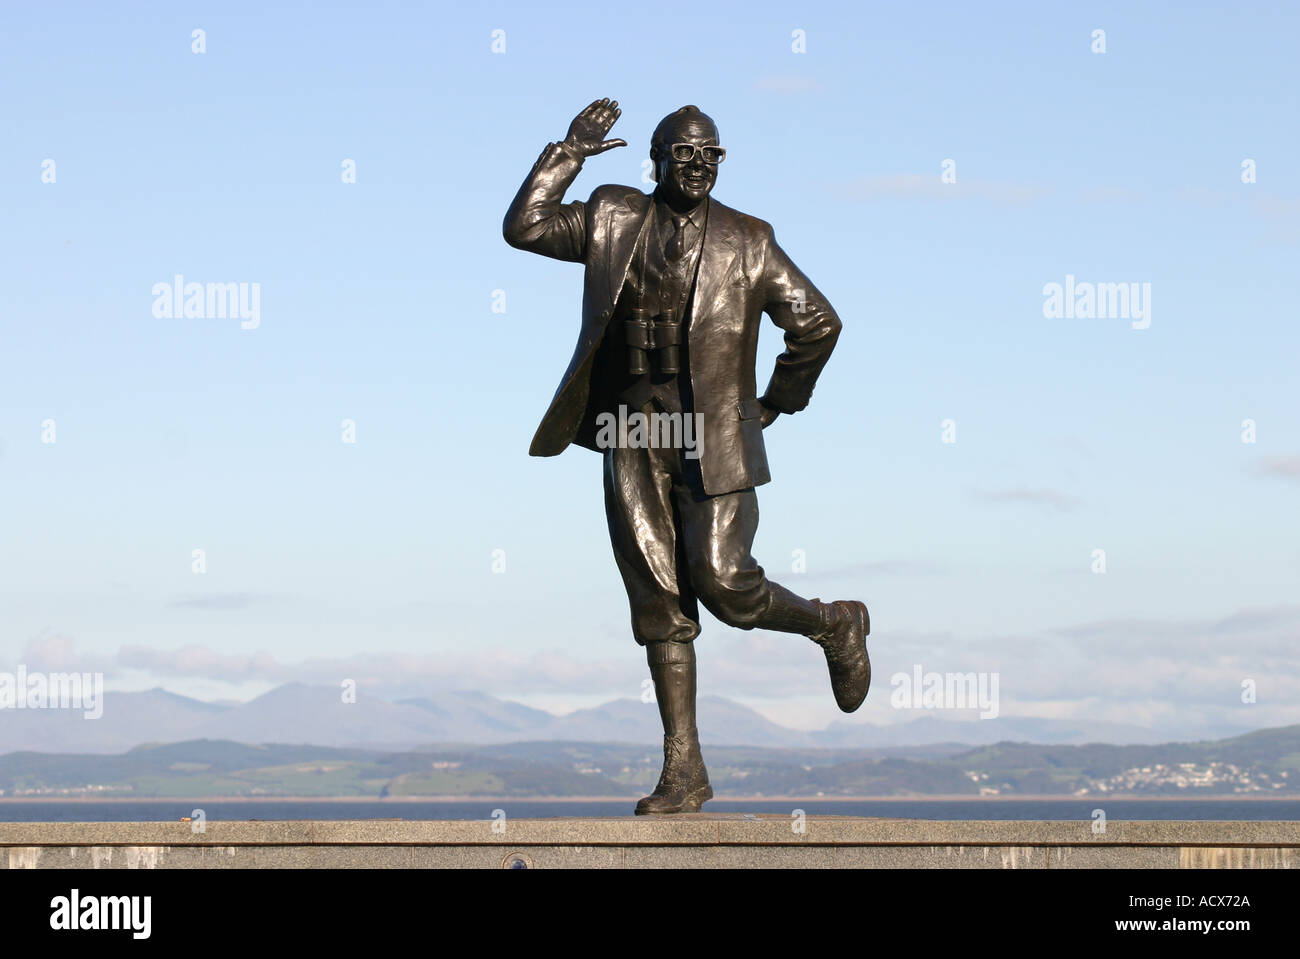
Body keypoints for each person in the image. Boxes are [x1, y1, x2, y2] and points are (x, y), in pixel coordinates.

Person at [504, 98, 871, 814]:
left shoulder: (749, 240)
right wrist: (568, 152)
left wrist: (776, 402)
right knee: (659, 601)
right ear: (657, 157)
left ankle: (834, 624)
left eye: (711, 154)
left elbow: (818, 323)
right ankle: (684, 773)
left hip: (715, 435)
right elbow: (526, 227)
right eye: (683, 153)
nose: (698, 165)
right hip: (631, 431)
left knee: (725, 581)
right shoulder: (613, 216)